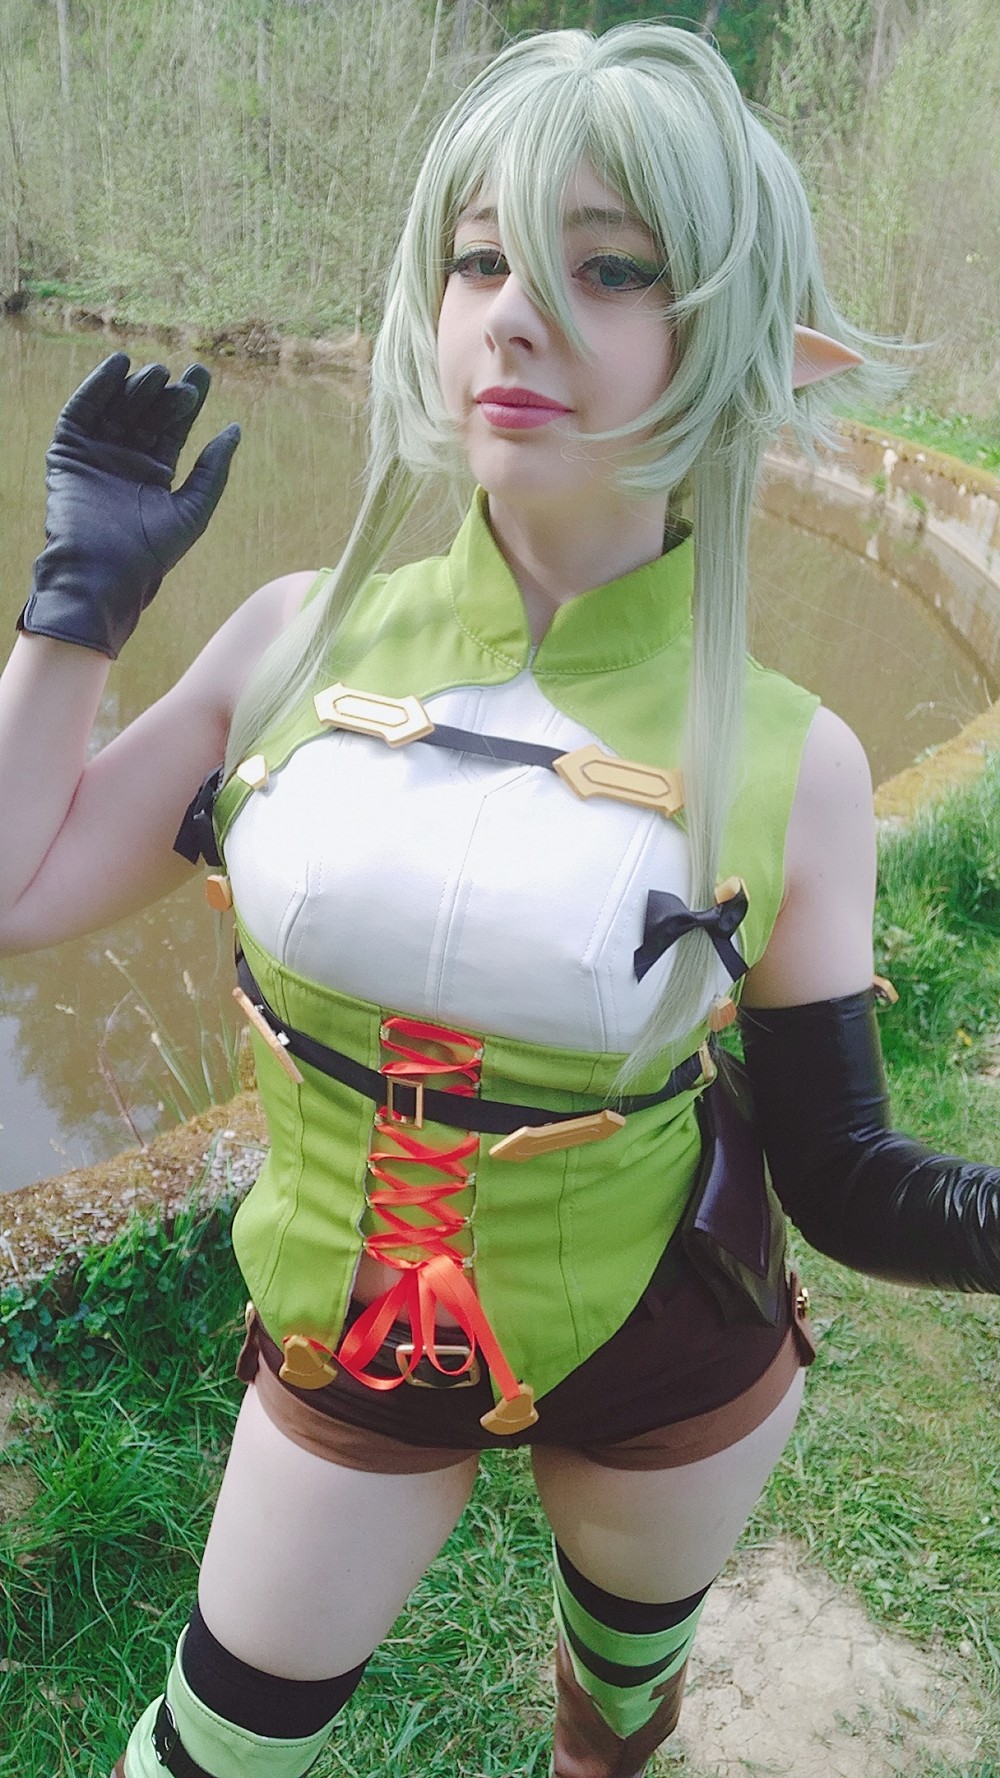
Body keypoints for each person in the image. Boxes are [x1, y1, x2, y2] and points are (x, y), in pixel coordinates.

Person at [2, 24, 998, 1778]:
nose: (516, 317)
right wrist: (77, 605)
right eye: (481, 261)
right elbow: (15, 890)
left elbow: (844, 1171)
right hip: (343, 1336)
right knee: (207, 1752)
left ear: (740, 342)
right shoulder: (295, 638)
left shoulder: (801, 757)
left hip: (672, 1343)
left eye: (606, 269)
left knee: (616, 1714)